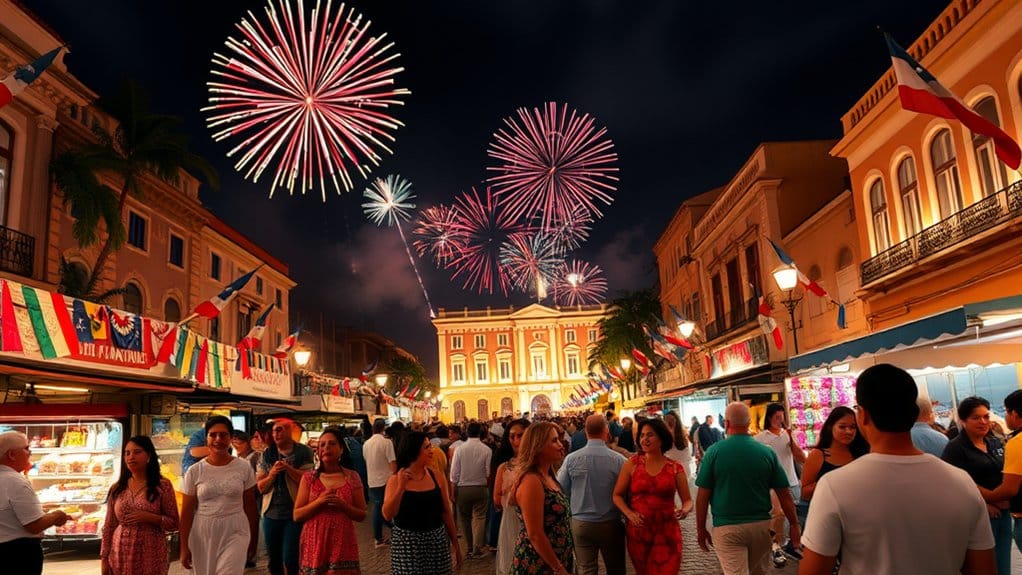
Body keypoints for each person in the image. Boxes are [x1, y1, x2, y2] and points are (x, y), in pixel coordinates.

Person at [799, 363, 996, 574]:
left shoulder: (834, 486)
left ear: (863, 415)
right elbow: (984, 568)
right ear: (912, 414)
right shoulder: (961, 481)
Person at [695, 402, 799, 575]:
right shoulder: (766, 452)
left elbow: (702, 496)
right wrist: (794, 524)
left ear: (726, 424)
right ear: (749, 423)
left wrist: (700, 529)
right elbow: (784, 493)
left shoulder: (714, 452)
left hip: (727, 528)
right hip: (761, 527)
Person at [179, 416, 259, 575]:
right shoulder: (195, 471)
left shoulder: (244, 468)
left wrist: (254, 540)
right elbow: (187, 512)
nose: (218, 439)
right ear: (206, 438)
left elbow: (250, 505)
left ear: (230, 438)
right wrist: (183, 547)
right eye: (213, 435)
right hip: (203, 533)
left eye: (223, 435)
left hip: (236, 530)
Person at [613, 418, 692, 575]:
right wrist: (629, 514)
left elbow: (688, 500)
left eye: (650, 435)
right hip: (640, 534)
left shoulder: (675, 468)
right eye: (642, 435)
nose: (644, 439)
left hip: (668, 533)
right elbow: (617, 495)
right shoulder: (632, 464)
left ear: (662, 438)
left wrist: (684, 510)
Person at [941, 396, 1011, 575]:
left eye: (986, 416)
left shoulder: (993, 442)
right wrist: (985, 503)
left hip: (1003, 513)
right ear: (963, 421)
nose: (983, 421)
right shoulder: (955, 448)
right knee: (985, 567)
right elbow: (954, 483)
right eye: (976, 417)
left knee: (1003, 564)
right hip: (978, 515)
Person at [383, 431, 461, 575]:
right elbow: (388, 514)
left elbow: (446, 511)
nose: (431, 451)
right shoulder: (395, 480)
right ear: (413, 450)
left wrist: (455, 543)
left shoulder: (436, 476)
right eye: (426, 447)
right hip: (407, 546)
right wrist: (401, 487)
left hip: (436, 543)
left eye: (430, 446)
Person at [558, 415, 627, 575]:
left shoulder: (571, 459)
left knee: (586, 569)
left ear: (586, 432)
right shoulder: (619, 460)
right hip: (611, 522)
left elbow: (561, 489)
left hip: (581, 523)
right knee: (615, 568)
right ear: (606, 431)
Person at [100, 436, 179, 575]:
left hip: (151, 552)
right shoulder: (117, 488)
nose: (131, 457)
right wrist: (104, 558)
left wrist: (149, 517)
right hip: (120, 552)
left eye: (137, 452)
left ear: (148, 456)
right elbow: (109, 525)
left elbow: (174, 523)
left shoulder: (163, 485)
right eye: (127, 453)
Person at [293, 427, 366, 575]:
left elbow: (361, 514)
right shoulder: (309, 478)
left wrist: (343, 506)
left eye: (332, 444)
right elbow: (297, 515)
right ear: (318, 451)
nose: (326, 448)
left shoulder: (352, 477)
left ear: (341, 449)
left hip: (343, 542)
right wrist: (319, 502)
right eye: (322, 445)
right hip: (315, 542)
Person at [509, 422, 573, 575]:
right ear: (538, 446)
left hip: (555, 559)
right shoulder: (532, 481)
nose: (561, 445)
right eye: (554, 441)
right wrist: (558, 568)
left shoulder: (548, 476)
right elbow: (535, 534)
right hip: (538, 563)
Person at [0, 431, 68, 575]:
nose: (30, 453)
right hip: (18, 554)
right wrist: (56, 515)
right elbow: (34, 525)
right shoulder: (15, 481)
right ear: (11, 455)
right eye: (26, 448)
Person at [257, 418, 316, 575]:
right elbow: (261, 487)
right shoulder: (267, 454)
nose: (276, 433)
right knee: (274, 559)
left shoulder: (304, 452)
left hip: (295, 513)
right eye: (275, 430)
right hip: (271, 514)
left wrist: (288, 469)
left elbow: (308, 480)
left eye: (281, 429)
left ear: (291, 431)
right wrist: (272, 474)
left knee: (291, 557)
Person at [753, 403, 807, 567]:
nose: (780, 421)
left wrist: (790, 438)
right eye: (777, 417)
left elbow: (801, 458)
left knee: (798, 516)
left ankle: (793, 544)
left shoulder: (788, 435)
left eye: (782, 417)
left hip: (792, 481)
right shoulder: (760, 438)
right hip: (773, 485)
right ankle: (776, 546)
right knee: (778, 515)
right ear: (769, 417)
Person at [799, 406, 869, 505]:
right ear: (830, 427)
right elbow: (804, 493)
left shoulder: (862, 454)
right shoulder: (818, 455)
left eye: (852, 427)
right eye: (842, 427)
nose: (848, 431)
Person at [980, 389, 1022, 553]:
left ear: (1015, 413)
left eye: (1006, 411)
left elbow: (1010, 488)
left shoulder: (1017, 442)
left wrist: (982, 493)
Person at [449, 421, 492, 559]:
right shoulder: (487, 450)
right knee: (480, 517)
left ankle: (468, 547)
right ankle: (477, 548)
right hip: (480, 487)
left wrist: (452, 491)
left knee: (465, 518)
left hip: (463, 488)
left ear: (466, 432)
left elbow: (454, 473)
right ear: (480, 433)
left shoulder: (459, 450)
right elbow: (488, 472)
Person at [494, 419, 530, 575]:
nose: (515, 441)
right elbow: (496, 498)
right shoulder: (504, 467)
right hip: (511, 519)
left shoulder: (537, 464)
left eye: (520, 435)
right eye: (512, 436)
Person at [364, 419, 396, 547]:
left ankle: (379, 537)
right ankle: (386, 533)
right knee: (383, 508)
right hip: (386, 480)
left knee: (377, 507)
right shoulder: (387, 442)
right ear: (384, 428)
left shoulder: (366, 444)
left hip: (372, 480)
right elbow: (392, 463)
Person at [663, 410, 693, 476]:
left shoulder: (668, 436)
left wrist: (671, 427)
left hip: (674, 469)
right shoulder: (684, 433)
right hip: (684, 468)